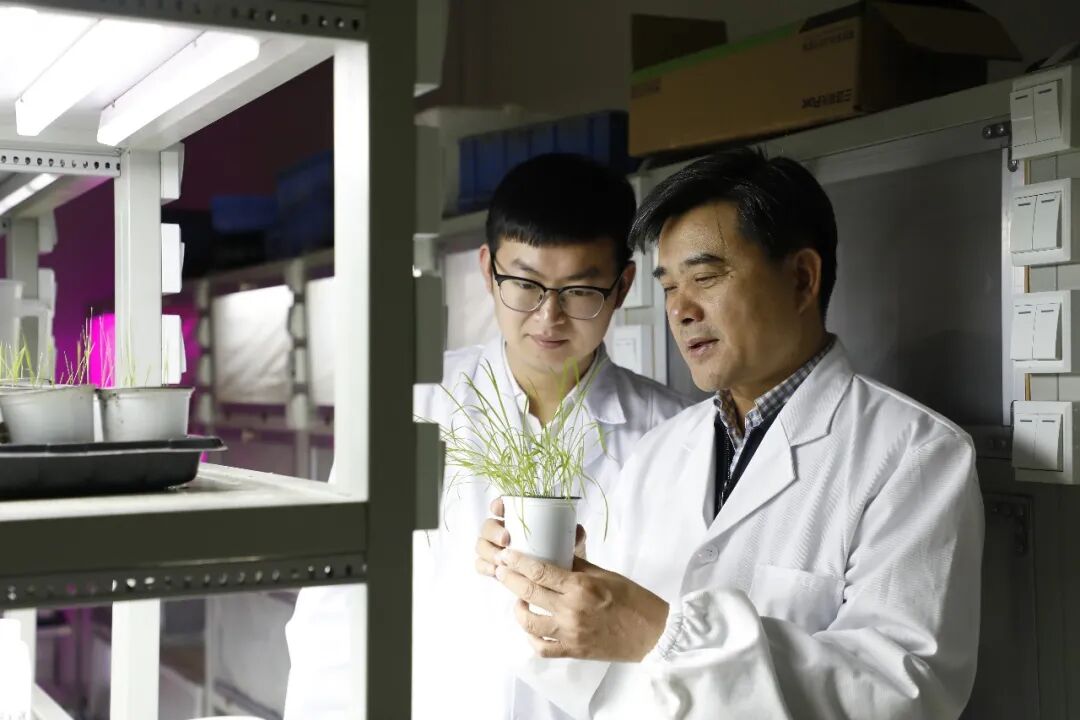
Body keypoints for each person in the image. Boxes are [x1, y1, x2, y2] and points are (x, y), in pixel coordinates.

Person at [478, 148, 985, 719]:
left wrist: (663, 635)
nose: (681, 310)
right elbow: (599, 678)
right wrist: (557, 589)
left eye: (705, 277)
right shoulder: (660, 452)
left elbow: (904, 695)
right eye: (669, 287)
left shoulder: (915, 455)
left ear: (801, 279)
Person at [283, 153, 692, 719]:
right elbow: (334, 611)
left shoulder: (675, 435)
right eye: (524, 284)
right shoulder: (414, 406)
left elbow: (678, 642)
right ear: (486, 270)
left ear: (621, 287)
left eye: (579, 291)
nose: (548, 317)